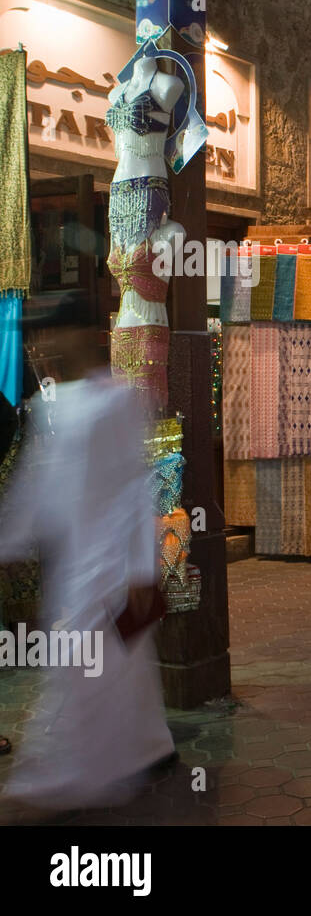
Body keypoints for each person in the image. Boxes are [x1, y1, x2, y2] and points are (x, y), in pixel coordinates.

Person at [0, 293, 175, 810]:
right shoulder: (52, 405)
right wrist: (8, 540)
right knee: (109, 671)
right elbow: (38, 489)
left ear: (81, 335)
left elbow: (134, 490)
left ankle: (55, 781)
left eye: (54, 332)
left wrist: (142, 569)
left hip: (109, 566)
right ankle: (144, 750)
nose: (45, 343)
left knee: (83, 671)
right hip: (74, 564)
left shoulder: (118, 401)